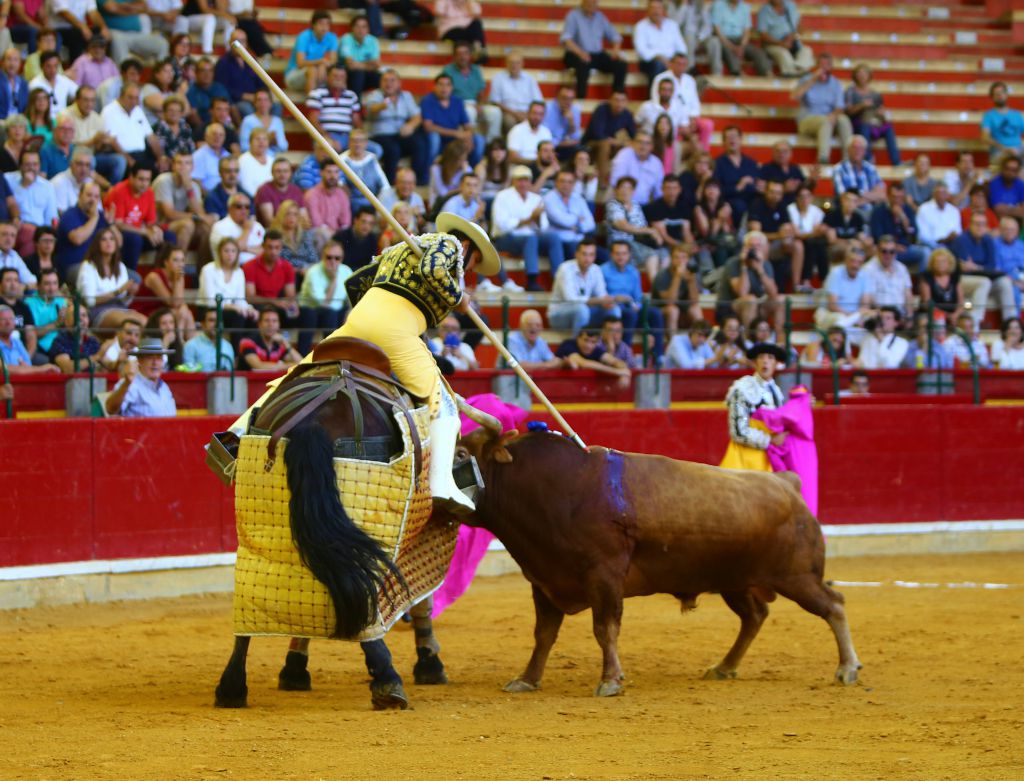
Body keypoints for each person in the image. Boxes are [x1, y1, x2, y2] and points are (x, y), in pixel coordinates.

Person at [228, 211, 502, 515]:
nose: (470, 269)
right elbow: (433, 270)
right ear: (468, 249)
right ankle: (441, 485)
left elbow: (359, 281)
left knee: (298, 373)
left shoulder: (402, 246)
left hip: (358, 319)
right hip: (395, 327)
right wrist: (458, 298)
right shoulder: (448, 243)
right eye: (474, 263)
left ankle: (236, 436)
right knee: (445, 406)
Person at [719, 341, 788, 471]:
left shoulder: (777, 392)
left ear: (776, 364)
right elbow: (738, 432)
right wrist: (770, 440)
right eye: (761, 357)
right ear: (755, 362)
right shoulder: (743, 389)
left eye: (770, 357)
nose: (765, 361)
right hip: (744, 458)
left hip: (770, 458)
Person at [491, 165, 561, 290]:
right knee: (531, 238)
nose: (523, 183)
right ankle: (532, 279)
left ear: (530, 182)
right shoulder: (502, 196)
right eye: (519, 180)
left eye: (526, 180)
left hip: (530, 239)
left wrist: (537, 218)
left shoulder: (536, 198)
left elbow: (544, 227)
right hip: (506, 239)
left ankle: (559, 277)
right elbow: (502, 225)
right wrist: (528, 219)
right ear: (513, 181)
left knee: (553, 237)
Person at [76, 225, 147, 330]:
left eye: (112, 239)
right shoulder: (88, 266)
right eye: (104, 239)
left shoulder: (120, 266)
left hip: (120, 308)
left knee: (146, 322)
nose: (108, 242)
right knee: (130, 324)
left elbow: (123, 300)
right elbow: (89, 301)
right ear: (97, 244)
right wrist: (118, 291)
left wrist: (130, 294)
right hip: (98, 311)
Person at [602, 238, 664, 358]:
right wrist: (615, 298)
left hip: (631, 308)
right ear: (611, 254)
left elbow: (638, 296)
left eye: (624, 253)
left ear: (629, 255)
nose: (621, 257)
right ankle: (625, 354)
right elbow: (600, 295)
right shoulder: (602, 270)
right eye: (617, 253)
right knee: (630, 314)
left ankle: (658, 355)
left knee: (655, 313)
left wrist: (638, 306)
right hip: (613, 311)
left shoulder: (633, 271)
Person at [953, 211, 1018, 324]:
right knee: (984, 281)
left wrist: (976, 267)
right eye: (977, 224)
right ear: (970, 224)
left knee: (1005, 281)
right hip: (962, 280)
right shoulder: (962, 240)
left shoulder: (988, 240)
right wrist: (982, 269)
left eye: (983, 224)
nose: (980, 227)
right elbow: (966, 269)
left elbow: (991, 266)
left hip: (983, 278)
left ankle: (1010, 322)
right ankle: (976, 323)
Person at [364, 69, 427, 184]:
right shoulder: (375, 95)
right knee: (393, 150)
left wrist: (410, 126)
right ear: (380, 83)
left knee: (419, 144)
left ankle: (416, 181)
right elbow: (371, 109)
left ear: (399, 83)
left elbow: (417, 116)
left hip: (400, 134)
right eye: (385, 80)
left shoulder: (406, 96)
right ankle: (390, 184)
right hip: (380, 135)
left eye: (392, 80)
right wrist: (382, 106)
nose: (389, 83)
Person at [791, 53, 851, 166]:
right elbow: (795, 96)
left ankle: (848, 158)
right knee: (825, 121)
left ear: (831, 67)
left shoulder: (835, 83)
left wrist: (833, 115)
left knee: (843, 119)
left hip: (828, 120)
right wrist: (813, 79)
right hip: (808, 119)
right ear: (817, 66)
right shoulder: (806, 79)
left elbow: (840, 107)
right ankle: (823, 158)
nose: (824, 68)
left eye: (827, 65)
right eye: (821, 65)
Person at [746, 177, 804, 293]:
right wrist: (778, 235)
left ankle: (796, 285)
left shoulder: (782, 206)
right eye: (772, 192)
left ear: (782, 194)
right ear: (766, 191)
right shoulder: (757, 205)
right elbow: (756, 235)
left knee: (798, 245)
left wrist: (787, 236)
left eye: (778, 193)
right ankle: (763, 285)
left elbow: (787, 229)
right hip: (758, 245)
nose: (775, 196)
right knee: (764, 245)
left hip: (777, 244)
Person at [548, 238, 617, 334]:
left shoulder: (596, 269)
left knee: (614, 310)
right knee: (581, 309)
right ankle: (577, 346)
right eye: (584, 254)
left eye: (591, 255)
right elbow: (570, 299)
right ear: (576, 254)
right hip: (558, 315)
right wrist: (597, 300)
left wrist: (608, 301)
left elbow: (602, 295)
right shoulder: (565, 269)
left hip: (585, 311)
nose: (588, 258)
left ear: (595, 256)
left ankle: (611, 347)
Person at [717, 230, 782, 331]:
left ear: (764, 249)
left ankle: (780, 342)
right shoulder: (733, 263)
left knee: (780, 300)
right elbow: (742, 293)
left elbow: (773, 293)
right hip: (730, 308)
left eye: (758, 246)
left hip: (757, 305)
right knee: (750, 300)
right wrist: (744, 266)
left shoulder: (765, 264)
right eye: (751, 246)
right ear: (744, 248)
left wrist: (760, 269)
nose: (754, 250)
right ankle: (749, 341)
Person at [560, 0, 626, 100]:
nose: (592, 4)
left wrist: (616, 51)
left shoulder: (600, 17)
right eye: (589, 1)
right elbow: (566, 39)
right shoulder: (573, 15)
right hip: (576, 53)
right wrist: (580, 53)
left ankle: (617, 96)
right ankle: (581, 98)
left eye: (594, 2)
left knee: (621, 64)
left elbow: (615, 37)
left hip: (596, 54)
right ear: (583, 2)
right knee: (583, 63)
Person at [153, 151, 214, 256]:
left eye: (187, 163)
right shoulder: (164, 180)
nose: (183, 167)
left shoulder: (193, 186)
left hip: (178, 223)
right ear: (173, 166)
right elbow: (169, 214)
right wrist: (196, 217)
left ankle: (202, 269)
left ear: (192, 167)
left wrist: (189, 188)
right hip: (160, 225)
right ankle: (179, 267)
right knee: (187, 224)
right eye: (179, 163)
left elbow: (200, 213)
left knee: (205, 229)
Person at [62, 84, 126, 184]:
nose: (89, 104)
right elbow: (67, 146)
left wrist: (104, 143)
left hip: (93, 155)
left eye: (92, 100)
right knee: (90, 161)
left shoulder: (97, 118)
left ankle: (109, 193)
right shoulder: (65, 116)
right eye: (86, 100)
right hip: (73, 157)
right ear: (77, 100)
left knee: (120, 161)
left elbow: (99, 148)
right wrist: (92, 142)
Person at [650, 52, 713, 152]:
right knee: (677, 131)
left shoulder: (690, 80)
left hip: (689, 118)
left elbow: (695, 103)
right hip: (672, 119)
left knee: (707, 125)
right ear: (671, 64)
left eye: (684, 64)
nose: (681, 67)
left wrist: (692, 119)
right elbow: (656, 103)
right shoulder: (660, 78)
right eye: (678, 64)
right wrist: (681, 123)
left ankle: (704, 154)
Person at [605, 175, 662, 281]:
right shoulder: (613, 205)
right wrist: (650, 231)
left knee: (662, 254)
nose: (625, 191)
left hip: (637, 243)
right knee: (651, 254)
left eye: (629, 188)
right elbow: (623, 226)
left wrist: (653, 234)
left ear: (633, 191)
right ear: (616, 190)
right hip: (619, 243)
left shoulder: (636, 205)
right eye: (622, 187)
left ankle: (656, 288)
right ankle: (655, 288)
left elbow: (642, 225)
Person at [297, 240, 350, 354]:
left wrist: (349, 311)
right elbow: (324, 304)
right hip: (311, 311)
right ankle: (320, 354)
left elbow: (352, 298)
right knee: (328, 313)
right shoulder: (313, 273)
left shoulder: (346, 271)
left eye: (337, 258)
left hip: (336, 311)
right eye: (329, 257)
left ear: (342, 258)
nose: (333, 261)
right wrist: (333, 280)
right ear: (322, 257)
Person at [843, 63, 902, 166]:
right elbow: (847, 111)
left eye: (864, 73)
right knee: (865, 126)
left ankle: (896, 161)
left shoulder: (876, 94)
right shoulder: (850, 92)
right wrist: (861, 105)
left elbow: (881, 112)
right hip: (857, 122)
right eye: (859, 73)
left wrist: (882, 114)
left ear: (869, 76)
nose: (862, 76)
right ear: (855, 76)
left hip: (874, 121)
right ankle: (867, 158)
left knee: (888, 127)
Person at [442, 40, 500, 142]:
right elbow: (446, 94)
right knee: (470, 112)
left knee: (495, 112)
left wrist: (480, 104)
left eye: (465, 53)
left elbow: (481, 91)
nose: (462, 57)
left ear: (470, 55)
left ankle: (491, 144)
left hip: (476, 103)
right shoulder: (448, 70)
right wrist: (467, 105)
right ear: (454, 56)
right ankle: (471, 143)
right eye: (459, 54)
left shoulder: (476, 70)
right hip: (458, 104)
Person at [197, 237, 256, 335]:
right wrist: (233, 307)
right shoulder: (208, 269)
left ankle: (247, 348)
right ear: (219, 252)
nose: (230, 254)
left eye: (233, 251)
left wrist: (249, 309)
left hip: (229, 310)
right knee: (238, 316)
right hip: (209, 309)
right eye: (226, 251)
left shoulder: (239, 272)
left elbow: (239, 300)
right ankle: (236, 348)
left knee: (252, 316)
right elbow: (210, 301)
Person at [134, 246, 194, 340]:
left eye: (182, 260)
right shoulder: (154, 276)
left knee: (186, 312)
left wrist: (178, 279)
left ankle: (189, 346)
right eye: (175, 260)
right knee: (181, 311)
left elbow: (179, 303)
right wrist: (178, 281)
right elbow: (173, 303)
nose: (180, 264)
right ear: (166, 263)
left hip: (164, 311)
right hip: (146, 312)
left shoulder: (178, 276)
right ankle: (178, 343)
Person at [104, 337, 177, 416]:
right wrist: (126, 383)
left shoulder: (164, 387)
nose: (155, 363)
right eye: (149, 357)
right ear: (140, 361)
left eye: (159, 358)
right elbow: (110, 409)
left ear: (163, 361)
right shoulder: (130, 385)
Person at [243, 229, 299, 328]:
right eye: (270, 247)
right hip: (258, 305)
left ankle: (285, 338)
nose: (273, 251)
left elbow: (290, 296)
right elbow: (250, 298)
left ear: (281, 248)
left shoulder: (287, 267)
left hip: (277, 304)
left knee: (295, 311)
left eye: (277, 248)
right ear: (263, 246)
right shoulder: (249, 266)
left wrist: (292, 305)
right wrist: (273, 301)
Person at [100, 82, 161, 172]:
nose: (133, 101)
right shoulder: (109, 111)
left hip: (142, 154)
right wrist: (129, 160)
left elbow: (151, 137)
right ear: (121, 96)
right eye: (130, 97)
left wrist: (161, 157)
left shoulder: (137, 110)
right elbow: (112, 141)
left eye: (136, 98)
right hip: (122, 155)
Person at [543, 169, 596, 269]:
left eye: (569, 182)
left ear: (574, 184)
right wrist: (578, 218)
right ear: (556, 182)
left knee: (603, 255)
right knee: (577, 251)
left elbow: (591, 223)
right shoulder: (549, 198)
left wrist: (578, 227)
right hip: (560, 241)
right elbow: (564, 221)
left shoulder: (578, 198)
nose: (566, 185)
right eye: (562, 181)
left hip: (579, 241)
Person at [868, 181, 926, 273]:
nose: (897, 200)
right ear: (888, 196)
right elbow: (877, 236)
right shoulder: (878, 211)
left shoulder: (907, 210)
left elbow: (914, 236)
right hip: (886, 250)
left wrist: (904, 221)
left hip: (905, 249)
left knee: (925, 252)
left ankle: (923, 284)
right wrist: (894, 246)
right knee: (883, 252)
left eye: (900, 197)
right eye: (894, 197)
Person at [54, 179, 107, 276]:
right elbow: (77, 239)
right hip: (72, 267)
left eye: (96, 197)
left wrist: (112, 224)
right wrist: (94, 218)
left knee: (134, 280)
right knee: (94, 276)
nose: (92, 200)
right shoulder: (70, 215)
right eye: (89, 195)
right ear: (79, 195)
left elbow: (118, 243)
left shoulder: (101, 216)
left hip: (95, 265)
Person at [554, 323, 631, 388]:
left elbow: (615, 361)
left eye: (593, 342)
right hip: (561, 387)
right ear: (578, 338)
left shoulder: (596, 350)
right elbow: (584, 363)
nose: (588, 345)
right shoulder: (568, 345)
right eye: (586, 340)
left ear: (597, 342)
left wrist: (624, 372)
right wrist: (617, 372)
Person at [307, 65, 361, 154]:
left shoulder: (351, 96)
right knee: (330, 146)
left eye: (342, 76)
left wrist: (358, 138)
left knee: (375, 149)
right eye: (335, 76)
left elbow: (357, 121)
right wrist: (328, 138)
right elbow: (313, 121)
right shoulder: (317, 94)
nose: (339, 79)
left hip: (348, 137)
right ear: (327, 77)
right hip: (326, 135)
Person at [651, 244, 701, 337]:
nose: (680, 261)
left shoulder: (691, 272)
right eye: (676, 257)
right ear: (671, 259)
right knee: (673, 310)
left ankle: (701, 340)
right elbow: (670, 301)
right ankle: (673, 343)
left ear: (688, 259)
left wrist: (691, 281)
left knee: (695, 309)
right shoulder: (662, 275)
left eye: (683, 258)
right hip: (660, 311)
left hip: (682, 310)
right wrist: (677, 277)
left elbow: (694, 301)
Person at [709, 0, 770, 76]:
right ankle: (737, 73)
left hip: (740, 40)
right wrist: (732, 47)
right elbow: (717, 31)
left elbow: (747, 31)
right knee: (728, 51)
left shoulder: (745, 7)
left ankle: (766, 74)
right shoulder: (718, 5)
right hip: (724, 40)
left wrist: (742, 46)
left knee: (758, 52)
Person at [633, 0, 687, 85]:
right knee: (658, 65)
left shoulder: (672, 25)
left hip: (671, 61)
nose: (656, 11)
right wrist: (660, 58)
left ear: (664, 10)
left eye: (658, 8)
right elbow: (642, 51)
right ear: (647, 10)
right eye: (653, 8)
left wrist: (672, 61)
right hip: (650, 62)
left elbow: (682, 48)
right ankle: (654, 97)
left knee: (682, 65)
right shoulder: (640, 26)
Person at [285, 10, 337, 93]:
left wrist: (322, 65)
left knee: (337, 73)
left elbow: (333, 61)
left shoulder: (332, 37)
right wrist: (320, 62)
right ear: (313, 25)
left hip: (318, 74)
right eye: (321, 23)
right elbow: (300, 63)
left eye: (327, 24)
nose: (324, 27)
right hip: (294, 75)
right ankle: (312, 104)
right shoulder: (304, 36)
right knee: (312, 70)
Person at [713, 124, 758, 220]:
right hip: (730, 201)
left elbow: (756, 184)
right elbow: (717, 190)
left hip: (752, 200)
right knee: (739, 206)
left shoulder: (751, 163)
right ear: (723, 142)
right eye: (728, 137)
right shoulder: (717, 163)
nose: (731, 140)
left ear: (741, 139)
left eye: (734, 136)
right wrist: (738, 187)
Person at [488, 52, 541, 134]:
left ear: (522, 64)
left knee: (536, 119)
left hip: (527, 113)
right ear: (506, 63)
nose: (514, 65)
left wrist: (529, 114)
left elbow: (538, 100)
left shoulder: (530, 79)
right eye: (511, 62)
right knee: (509, 122)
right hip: (508, 113)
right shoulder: (498, 78)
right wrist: (515, 114)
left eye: (517, 63)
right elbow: (495, 102)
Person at [756, 0, 813, 76]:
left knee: (806, 50)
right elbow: (763, 35)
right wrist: (781, 43)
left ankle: (799, 69)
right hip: (774, 44)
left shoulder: (791, 6)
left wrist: (793, 36)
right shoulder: (764, 11)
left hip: (792, 42)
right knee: (783, 53)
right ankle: (792, 73)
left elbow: (799, 27)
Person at [863, 235, 913, 320]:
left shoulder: (902, 268)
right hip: (880, 316)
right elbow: (870, 298)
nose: (888, 255)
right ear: (877, 251)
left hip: (901, 316)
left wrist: (909, 315)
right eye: (884, 251)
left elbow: (908, 294)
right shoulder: (868, 270)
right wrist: (887, 316)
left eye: (892, 251)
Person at [214, 29, 262, 118]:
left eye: (242, 41)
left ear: (246, 43)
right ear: (230, 43)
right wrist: (242, 96)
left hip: (256, 99)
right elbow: (222, 88)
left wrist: (259, 97)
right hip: (236, 101)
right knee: (246, 108)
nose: (240, 45)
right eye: (236, 41)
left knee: (276, 106)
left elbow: (262, 83)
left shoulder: (253, 61)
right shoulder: (223, 62)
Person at [787, 183, 827, 288]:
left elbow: (817, 231)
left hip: (811, 241)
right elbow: (797, 234)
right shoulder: (791, 209)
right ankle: (804, 281)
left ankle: (824, 282)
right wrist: (811, 233)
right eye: (802, 196)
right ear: (797, 198)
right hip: (793, 241)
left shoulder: (817, 211)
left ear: (812, 198)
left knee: (820, 247)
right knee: (810, 244)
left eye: (808, 196)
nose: (805, 199)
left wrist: (811, 234)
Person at [0, 303, 60, 373]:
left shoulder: (16, 342)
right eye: (3, 319)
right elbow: (5, 369)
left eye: (11, 319)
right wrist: (42, 368)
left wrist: (27, 369)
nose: (8, 322)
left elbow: (27, 366)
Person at [832, 135, 886, 213]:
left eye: (860, 148)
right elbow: (843, 197)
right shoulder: (839, 169)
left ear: (864, 151)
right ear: (848, 150)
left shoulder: (871, 169)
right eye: (854, 147)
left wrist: (859, 194)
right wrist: (871, 196)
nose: (857, 151)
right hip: (850, 213)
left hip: (872, 212)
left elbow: (881, 195)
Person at [340, 129, 388, 212]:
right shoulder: (341, 159)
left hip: (372, 203)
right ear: (349, 142)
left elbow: (385, 186)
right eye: (354, 141)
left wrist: (379, 204)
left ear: (366, 143)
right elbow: (340, 184)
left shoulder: (372, 159)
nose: (357, 144)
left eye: (360, 141)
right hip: (350, 204)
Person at [210, 191, 263, 263]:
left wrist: (246, 249)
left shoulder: (257, 226)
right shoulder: (220, 227)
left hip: (257, 268)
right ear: (229, 208)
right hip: (232, 269)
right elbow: (231, 251)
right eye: (239, 206)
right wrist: (247, 230)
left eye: (247, 207)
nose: (244, 210)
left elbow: (265, 250)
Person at [48, 302, 102, 372]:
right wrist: (97, 357)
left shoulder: (92, 341)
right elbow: (68, 368)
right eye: (75, 315)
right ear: (66, 322)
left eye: (84, 315)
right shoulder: (60, 342)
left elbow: (107, 363)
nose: (80, 319)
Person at [917, 247, 965, 325]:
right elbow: (927, 303)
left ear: (949, 263)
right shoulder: (926, 277)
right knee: (939, 321)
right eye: (937, 262)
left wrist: (955, 314)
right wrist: (946, 315)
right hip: (932, 313)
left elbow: (961, 303)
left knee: (966, 320)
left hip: (953, 314)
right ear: (932, 264)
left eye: (943, 261)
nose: (940, 264)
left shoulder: (955, 278)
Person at [272, 199, 318, 274]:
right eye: (288, 214)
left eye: (295, 214)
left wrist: (307, 268)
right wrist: (297, 270)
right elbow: (274, 262)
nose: (291, 217)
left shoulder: (305, 235)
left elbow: (314, 260)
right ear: (281, 215)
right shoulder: (275, 236)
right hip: (284, 274)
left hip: (306, 272)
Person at [340, 14, 381, 97]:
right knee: (358, 74)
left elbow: (377, 65)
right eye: (357, 26)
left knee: (382, 78)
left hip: (366, 75)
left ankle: (384, 105)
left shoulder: (373, 41)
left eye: (364, 27)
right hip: (347, 76)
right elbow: (350, 65)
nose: (361, 30)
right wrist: (368, 64)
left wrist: (357, 64)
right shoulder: (346, 39)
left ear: (368, 29)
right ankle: (356, 105)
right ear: (352, 28)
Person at [981, 81, 1024, 160]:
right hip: (999, 151)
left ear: (1006, 94)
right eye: (996, 94)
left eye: (1002, 92)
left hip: (1019, 150)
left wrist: (1019, 149)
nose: (1000, 95)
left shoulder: (1017, 115)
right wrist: (1004, 149)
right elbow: (985, 137)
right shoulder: (989, 116)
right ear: (992, 97)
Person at [183, 306, 234, 371]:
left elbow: (230, 374)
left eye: (218, 320)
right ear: (203, 324)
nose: (216, 324)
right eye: (211, 320)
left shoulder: (228, 346)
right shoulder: (191, 346)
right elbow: (189, 375)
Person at [916, 181, 961, 250]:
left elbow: (958, 231)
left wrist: (951, 238)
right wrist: (941, 240)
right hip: (930, 246)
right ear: (933, 194)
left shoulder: (954, 211)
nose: (941, 196)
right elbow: (923, 236)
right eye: (938, 193)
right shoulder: (924, 209)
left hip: (951, 245)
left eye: (944, 193)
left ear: (948, 195)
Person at [994, 215, 1024, 314]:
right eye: (1006, 229)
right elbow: (996, 269)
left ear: (1017, 231)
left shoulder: (1021, 245)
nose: (1009, 232)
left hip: (1021, 277)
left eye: (1012, 229)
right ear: (1001, 230)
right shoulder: (995, 245)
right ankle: (1015, 322)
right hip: (1006, 278)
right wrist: (1014, 282)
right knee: (1013, 291)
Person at [337, 205, 380, 272]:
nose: (366, 226)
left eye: (370, 223)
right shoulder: (341, 236)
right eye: (363, 221)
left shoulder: (373, 239)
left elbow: (372, 264)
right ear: (355, 220)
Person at [237, 127, 274, 203]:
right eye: (257, 139)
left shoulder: (272, 160)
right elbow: (245, 186)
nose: (261, 142)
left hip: (271, 200)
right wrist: (262, 200)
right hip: (252, 201)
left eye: (264, 139)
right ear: (250, 142)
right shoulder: (243, 160)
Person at [988, 154, 1024, 223]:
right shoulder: (995, 183)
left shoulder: (1020, 184)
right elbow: (998, 209)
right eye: (1007, 168)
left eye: (1014, 170)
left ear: (1018, 171)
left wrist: (1007, 209)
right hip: (997, 222)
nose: (1010, 172)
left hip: (1017, 223)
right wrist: (1017, 209)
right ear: (1002, 169)